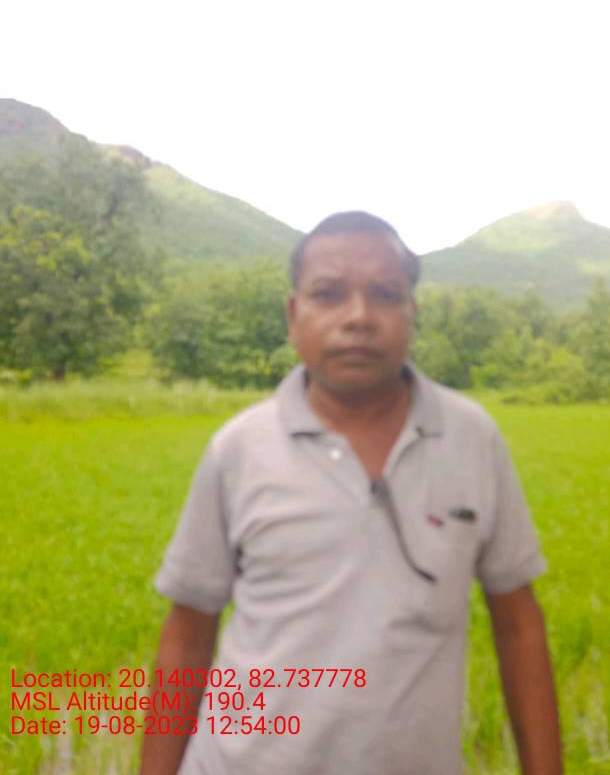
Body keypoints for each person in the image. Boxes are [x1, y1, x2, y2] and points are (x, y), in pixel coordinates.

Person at [139, 211, 563, 775]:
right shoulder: (240, 449)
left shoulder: (471, 440)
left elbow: (519, 624)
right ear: (294, 315)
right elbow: (188, 635)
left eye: (385, 295)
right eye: (329, 294)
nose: (359, 317)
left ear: (412, 313)